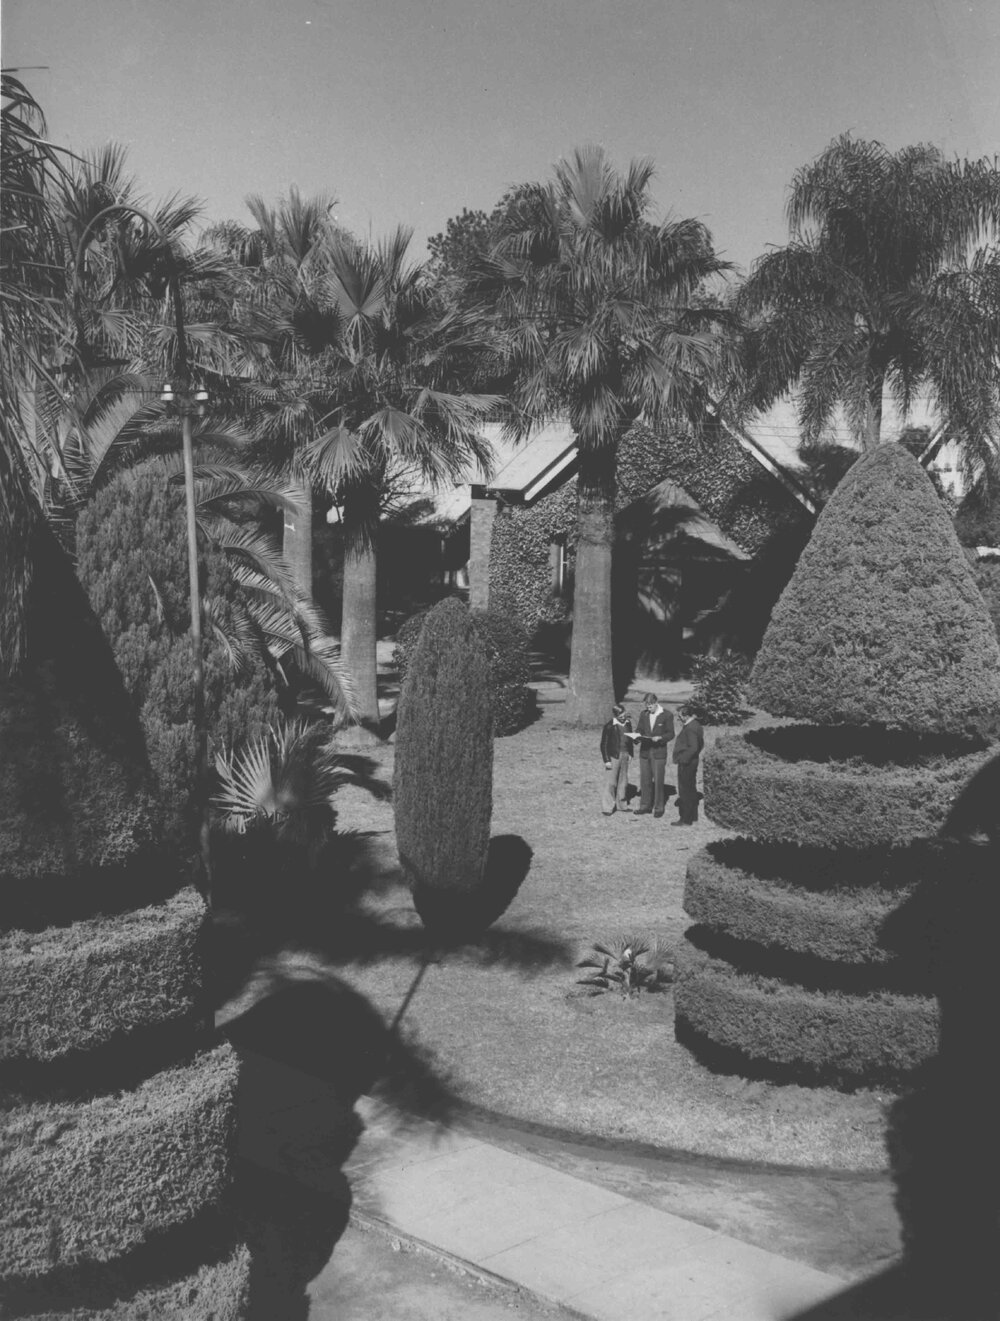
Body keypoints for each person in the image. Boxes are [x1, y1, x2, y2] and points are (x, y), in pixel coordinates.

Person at [632, 692, 674, 817]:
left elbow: (671, 734)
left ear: (656, 703)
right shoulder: (644, 715)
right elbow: (640, 729)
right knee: (645, 780)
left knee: (658, 781)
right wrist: (636, 736)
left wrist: (660, 737)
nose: (648, 708)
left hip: (658, 752)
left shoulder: (667, 715)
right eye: (646, 705)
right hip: (645, 752)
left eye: (650, 705)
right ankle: (645, 806)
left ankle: (659, 807)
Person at [672, 703, 704, 825]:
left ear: (686, 716)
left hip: (687, 762)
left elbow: (694, 747)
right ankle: (692, 816)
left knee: (685, 791)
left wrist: (683, 759)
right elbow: (700, 745)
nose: (678, 718)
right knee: (691, 789)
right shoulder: (696, 725)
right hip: (692, 761)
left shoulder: (690, 728)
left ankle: (685, 819)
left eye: (680, 715)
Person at [599, 703, 633, 815]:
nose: (623, 717)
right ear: (615, 715)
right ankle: (607, 807)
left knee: (623, 781)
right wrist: (607, 760)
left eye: (623, 714)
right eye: (620, 715)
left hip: (625, 755)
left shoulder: (628, 724)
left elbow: (630, 739)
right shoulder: (609, 726)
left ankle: (622, 805)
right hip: (614, 756)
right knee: (611, 782)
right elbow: (603, 744)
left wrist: (631, 753)